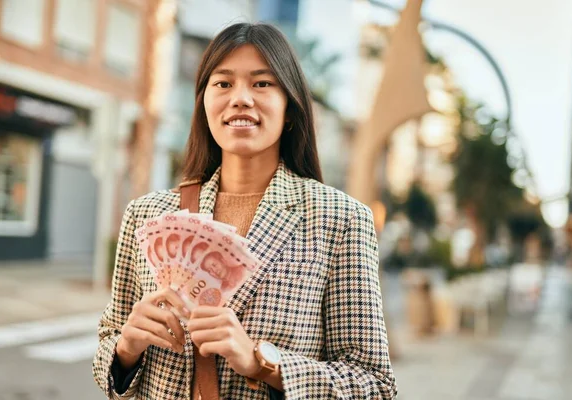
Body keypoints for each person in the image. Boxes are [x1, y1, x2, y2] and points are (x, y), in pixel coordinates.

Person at [92, 22, 397, 399]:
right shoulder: (147, 214)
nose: (240, 98)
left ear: (290, 108)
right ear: (204, 103)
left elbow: (373, 383)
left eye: (261, 83)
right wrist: (124, 348)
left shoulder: (340, 219)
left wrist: (260, 363)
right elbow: (108, 339)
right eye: (223, 83)